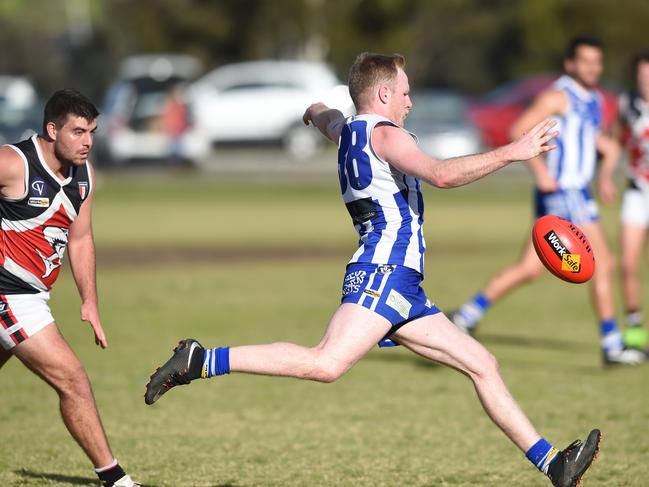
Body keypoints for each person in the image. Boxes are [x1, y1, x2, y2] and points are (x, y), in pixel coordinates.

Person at [145, 53, 601, 487]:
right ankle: (202, 360)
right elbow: (440, 174)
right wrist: (511, 152)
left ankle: (554, 465)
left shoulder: (346, 129)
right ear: (382, 95)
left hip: (403, 283)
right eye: (404, 92)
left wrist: (313, 108)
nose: (410, 101)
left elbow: (324, 115)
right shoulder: (385, 135)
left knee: (482, 363)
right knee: (326, 363)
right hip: (384, 269)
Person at [450, 36, 646, 365]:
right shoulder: (558, 95)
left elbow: (593, 139)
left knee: (530, 268)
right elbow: (518, 130)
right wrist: (540, 171)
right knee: (604, 263)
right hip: (564, 191)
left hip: (574, 191)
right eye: (585, 62)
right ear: (570, 64)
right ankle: (612, 345)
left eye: (597, 62)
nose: (592, 68)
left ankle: (466, 316)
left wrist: (606, 172)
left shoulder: (593, 99)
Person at [0, 89, 140, 487]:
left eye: (91, 132)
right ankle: (115, 478)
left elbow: (80, 240)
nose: (88, 141)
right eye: (78, 132)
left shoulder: (85, 175)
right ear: (51, 129)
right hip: (8, 297)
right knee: (73, 379)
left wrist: (90, 301)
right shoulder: (13, 163)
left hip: (36, 298)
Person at [617, 51, 649, 350]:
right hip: (637, 191)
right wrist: (604, 176)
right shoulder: (627, 105)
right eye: (641, 78)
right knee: (627, 263)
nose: (646, 83)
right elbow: (617, 141)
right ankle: (635, 327)